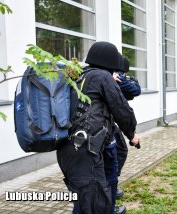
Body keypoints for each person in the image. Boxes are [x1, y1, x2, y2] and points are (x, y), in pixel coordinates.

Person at [57, 41, 140, 214]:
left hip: (68, 147)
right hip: (86, 149)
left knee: (84, 198)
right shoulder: (103, 77)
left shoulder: (78, 76)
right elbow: (121, 108)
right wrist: (132, 134)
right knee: (93, 203)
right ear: (111, 63)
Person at [111, 55, 141, 213]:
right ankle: (111, 190)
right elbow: (135, 91)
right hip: (102, 125)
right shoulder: (114, 76)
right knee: (119, 152)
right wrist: (132, 135)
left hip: (82, 126)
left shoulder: (89, 73)